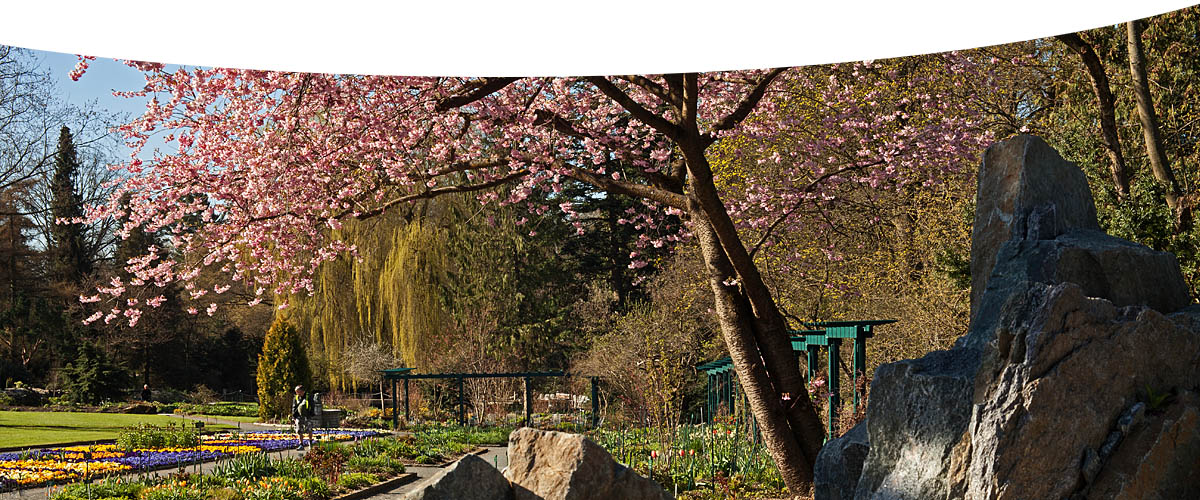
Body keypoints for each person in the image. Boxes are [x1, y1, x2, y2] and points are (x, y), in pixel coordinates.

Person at [292, 385, 314, 450]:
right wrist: (294, 416)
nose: (297, 393)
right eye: (296, 392)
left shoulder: (308, 397)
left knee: (309, 429)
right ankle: (301, 444)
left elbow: (312, 405)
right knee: (299, 430)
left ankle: (310, 442)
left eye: (298, 392)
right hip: (298, 416)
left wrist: (311, 414)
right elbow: (294, 407)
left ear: (302, 391)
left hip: (307, 415)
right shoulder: (296, 398)